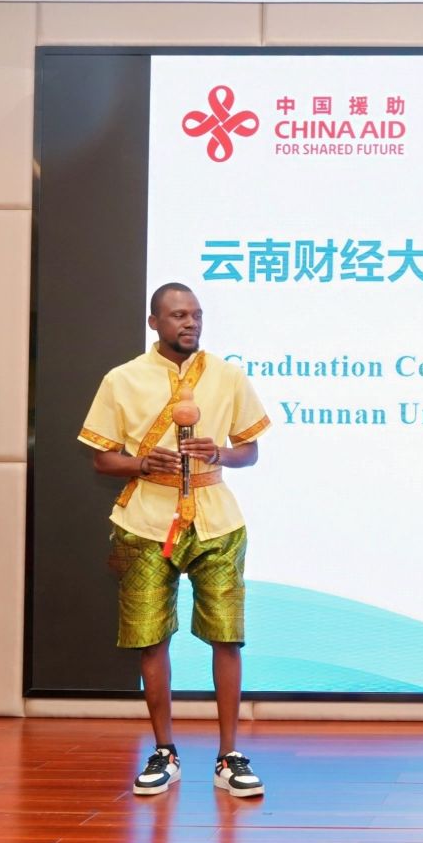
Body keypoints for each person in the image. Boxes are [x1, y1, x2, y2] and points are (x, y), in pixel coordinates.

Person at [79, 283, 271, 798]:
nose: (191, 323)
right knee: (151, 638)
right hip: (145, 520)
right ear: (154, 322)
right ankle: (164, 751)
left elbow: (249, 451)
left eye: (197, 315)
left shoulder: (227, 375)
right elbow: (101, 458)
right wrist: (143, 463)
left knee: (227, 637)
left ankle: (229, 756)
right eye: (179, 315)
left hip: (217, 520)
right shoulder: (122, 379)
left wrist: (219, 453)